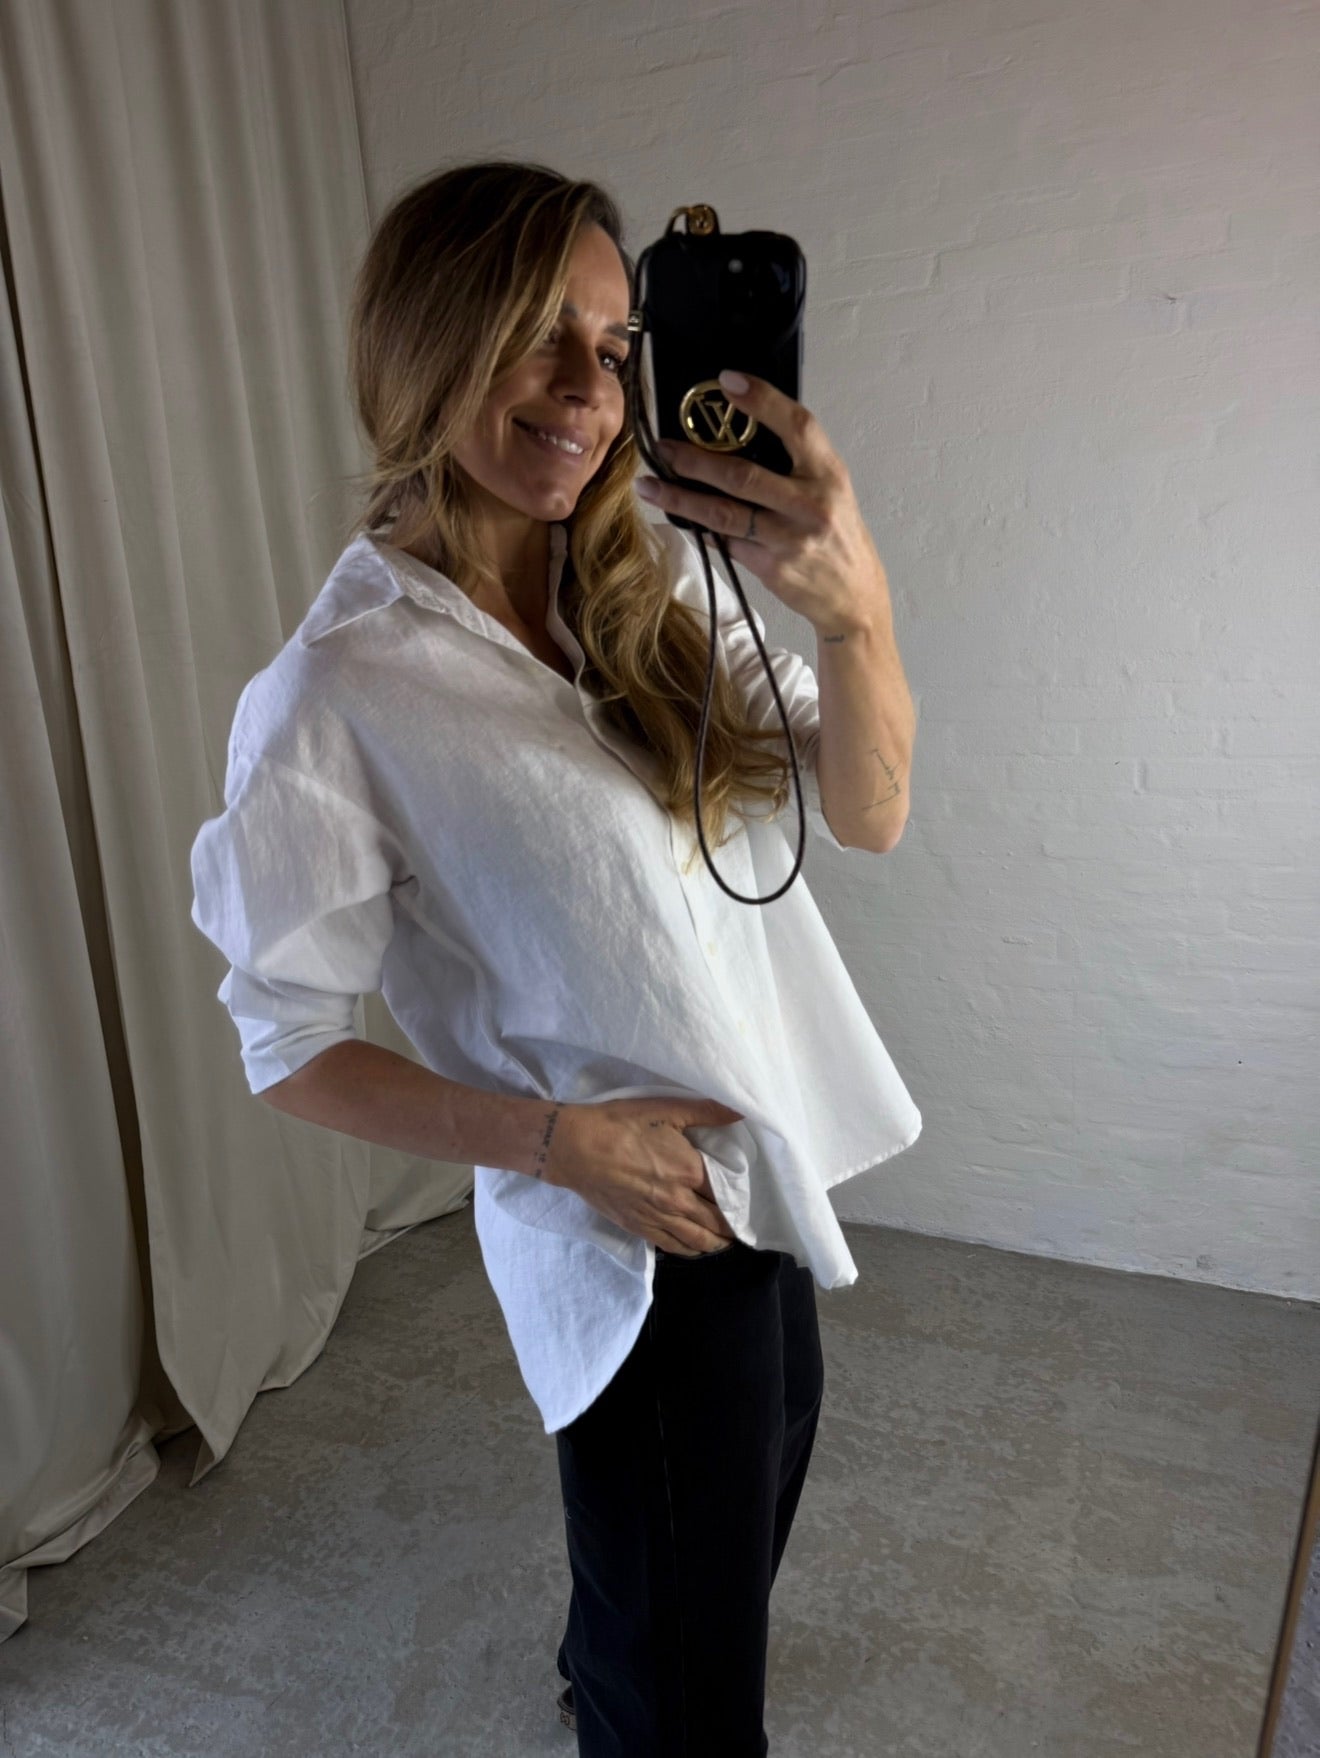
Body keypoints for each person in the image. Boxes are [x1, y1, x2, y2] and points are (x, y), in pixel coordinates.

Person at [189, 160, 922, 1757]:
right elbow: (287, 1041)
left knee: (727, 1543)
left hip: (760, 1172)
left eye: (611, 344)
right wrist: (556, 1143)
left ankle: (608, 1676)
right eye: (536, 335)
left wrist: (856, 616)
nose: (587, 391)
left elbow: (867, 812)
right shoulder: (339, 690)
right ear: (427, 346)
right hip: (628, 1238)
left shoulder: (652, 572)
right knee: (694, 1694)